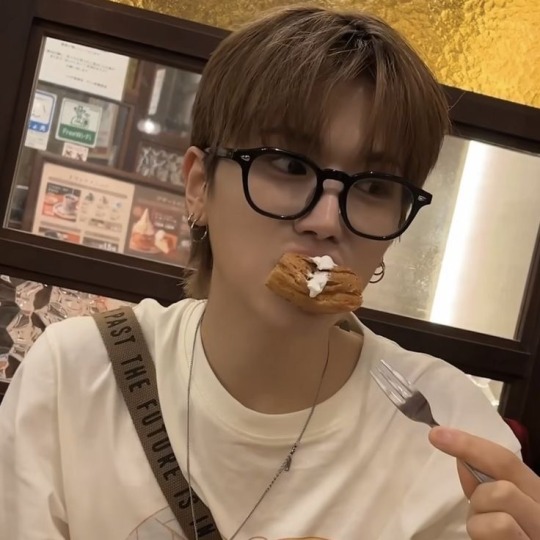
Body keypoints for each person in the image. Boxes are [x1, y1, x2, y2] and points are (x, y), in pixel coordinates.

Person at [1, 6, 540, 540]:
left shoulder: (447, 430)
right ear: (199, 186)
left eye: (375, 187)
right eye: (289, 165)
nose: (326, 221)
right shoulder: (77, 377)